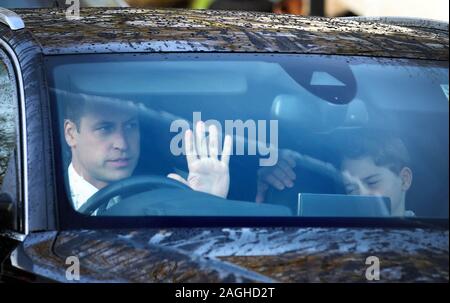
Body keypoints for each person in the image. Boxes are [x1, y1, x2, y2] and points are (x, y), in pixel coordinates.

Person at [63, 97, 231, 211]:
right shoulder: (43, 203)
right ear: (71, 134)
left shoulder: (163, 197)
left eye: (130, 126)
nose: (122, 144)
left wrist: (206, 205)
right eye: (105, 128)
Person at [256, 133, 415, 217]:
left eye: (372, 182)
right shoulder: (338, 234)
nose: (362, 195)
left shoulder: (429, 236)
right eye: (351, 189)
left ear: (404, 180)